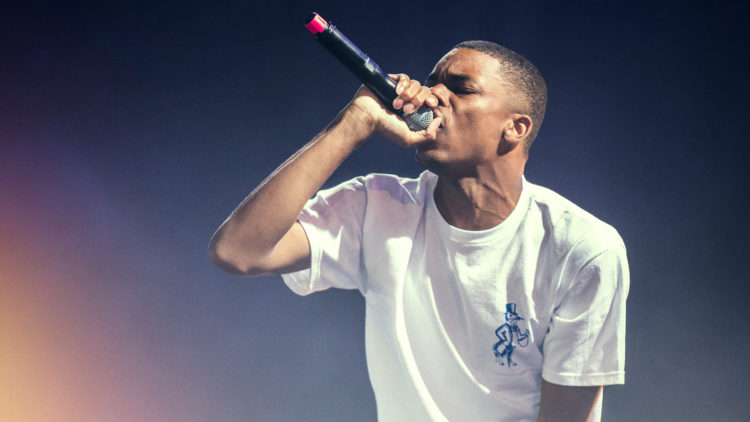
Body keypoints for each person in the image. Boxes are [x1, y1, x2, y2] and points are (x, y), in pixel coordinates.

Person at [209, 41, 629, 422]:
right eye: (432, 84)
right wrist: (354, 122)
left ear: (515, 128)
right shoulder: (376, 206)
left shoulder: (581, 249)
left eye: (460, 88)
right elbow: (237, 251)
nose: (432, 97)